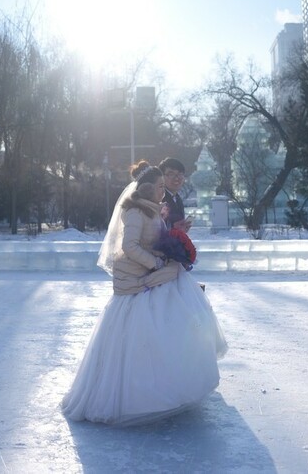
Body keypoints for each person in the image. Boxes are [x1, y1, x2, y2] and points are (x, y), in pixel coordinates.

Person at [61, 160, 228, 426]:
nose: (164, 191)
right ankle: (143, 397)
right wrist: (157, 263)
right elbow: (129, 246)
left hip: (155, 279)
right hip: (141, 282)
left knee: (175, 332)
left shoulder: (151, 211)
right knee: (143, 341)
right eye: (161, 186)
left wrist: (175, 236)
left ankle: (175, 385)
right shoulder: (136, 213)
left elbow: (154, 239)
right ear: (148, 188)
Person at [159, 157, 192, 232]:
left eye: (180, 174)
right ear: (161, 177)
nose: (177, 178)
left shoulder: (177, 198)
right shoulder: (159, 198)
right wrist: (173, 229)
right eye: (171, 174)